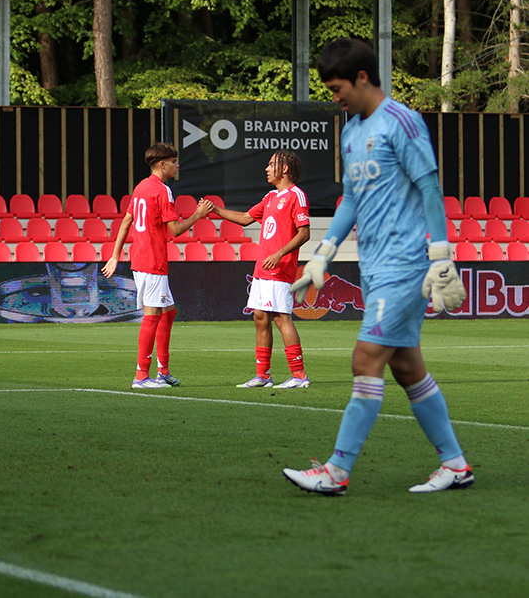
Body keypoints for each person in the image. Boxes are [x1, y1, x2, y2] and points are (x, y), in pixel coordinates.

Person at [283, 38, 469, 495]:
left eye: (337, 88)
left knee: (365, 358)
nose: (335, 97)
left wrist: (441, 254)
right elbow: (351, 199)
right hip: (376, 265)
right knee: (406, 368)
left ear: (362, 78)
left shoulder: (401, 121)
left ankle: (337, 471)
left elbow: (428, 185)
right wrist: (323, 254)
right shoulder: (349, 133)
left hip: (406, 266)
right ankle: (456, 464)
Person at [102, 142, 211, 389]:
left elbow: (127, 221)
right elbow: (175, 230)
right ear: (162, 164)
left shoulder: (141, 187)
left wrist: (115, 255)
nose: (177, 165)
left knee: (168, 312)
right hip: (152, 261)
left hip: (141, 259)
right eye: (174, 161)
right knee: (152, 316)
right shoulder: (162, 190)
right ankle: (141, 377)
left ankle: (163, 371)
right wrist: (198, 214)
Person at [205, 150, 311, 389]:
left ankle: (299, 375)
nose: (266, 168)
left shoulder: (296, 196)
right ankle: (263, 375)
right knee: (260, 318)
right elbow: (245, 218)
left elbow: (304, 232)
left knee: (281, 317)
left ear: (285, 169)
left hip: (279, 267)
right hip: (262, 269)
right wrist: (216, 210)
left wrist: (279, 253)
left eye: (271, 164)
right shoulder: (271, 197)